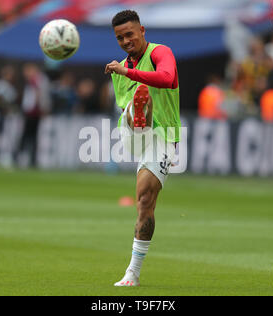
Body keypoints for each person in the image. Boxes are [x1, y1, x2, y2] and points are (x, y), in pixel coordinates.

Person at [104, 10, 181, 287]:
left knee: (145, 201)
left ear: (142, 30)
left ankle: (132, 274)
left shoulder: (161, 52)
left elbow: (167, 78)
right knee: (134, 102)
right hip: (133, 134)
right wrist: (125, 73)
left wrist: (128, 71)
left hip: (163, 136)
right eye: (120, 37)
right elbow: (119, 102)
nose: (125, 41)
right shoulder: (119, 71)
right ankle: (141, 108)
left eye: (130, 34)